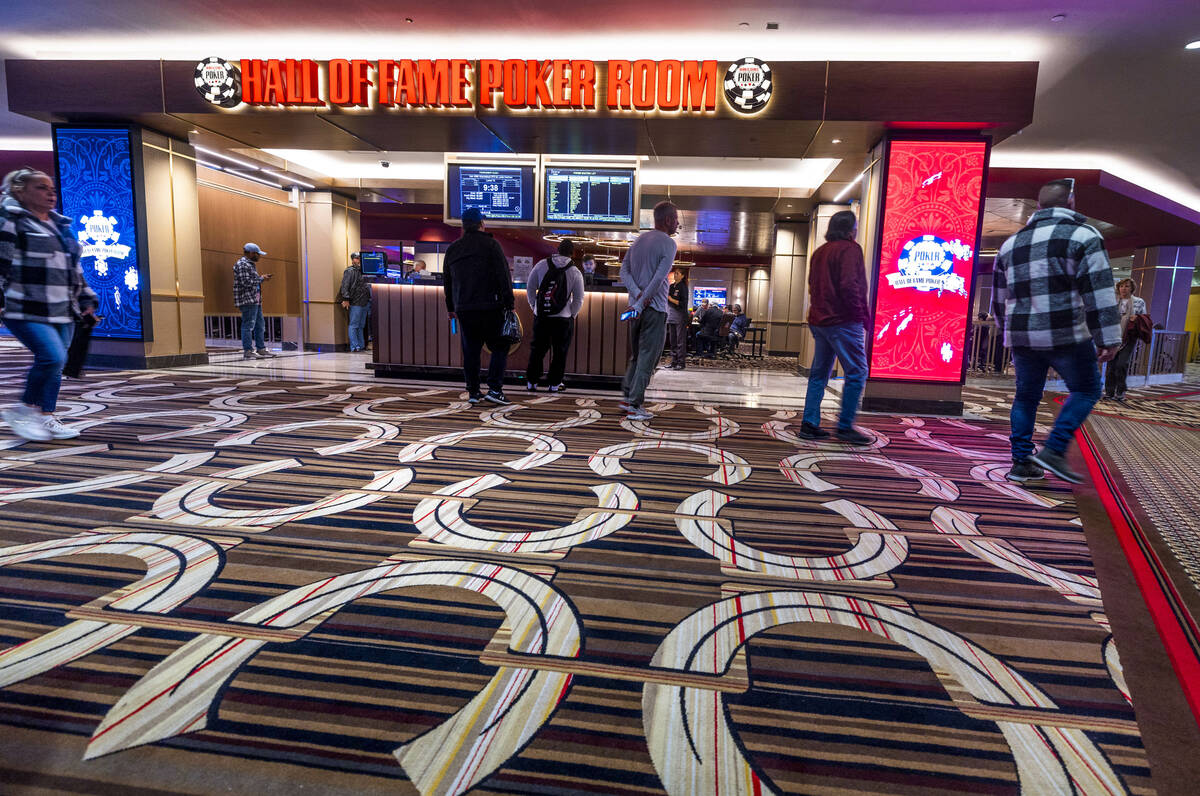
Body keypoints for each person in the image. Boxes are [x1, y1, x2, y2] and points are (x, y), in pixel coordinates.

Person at [993, 179, 1121, 483]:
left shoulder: (1010, 244)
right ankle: (1053, 449)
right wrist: (1108, 337)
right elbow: (1098, 291)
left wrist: (1006, 330)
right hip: (1065, 333)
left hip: (1023, 335)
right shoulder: (1084, 235)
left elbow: (999, 298)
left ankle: (1022, 463)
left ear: (1038, 207)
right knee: (1088, 389)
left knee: (1025, 397)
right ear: (1071, 202)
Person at [0, 168, 98, 441]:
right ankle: (23, 409)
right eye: (42, 188)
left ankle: (45, 416)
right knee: (52, 357)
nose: (50, 192)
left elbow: (72, 268)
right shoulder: (10, 219)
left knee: (57, 362)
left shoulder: (59, 224)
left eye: (52, 188)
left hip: (61, 306)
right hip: (24, 305)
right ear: (20, 191)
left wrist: (86, 297)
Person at [799, 209, 871, 445]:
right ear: (851, 228)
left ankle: (810, 423)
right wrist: (861, 315)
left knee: (819, 374)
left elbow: (813, 285)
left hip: (819, 320)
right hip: (843, 320)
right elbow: (851, 285)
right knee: (857, 371)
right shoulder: (850, 249)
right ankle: (845, 426)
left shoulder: (819, 252)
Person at [443, 207, 515, 405]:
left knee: (471, 350)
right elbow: (503, 276)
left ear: (464, 226)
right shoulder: (492, 245)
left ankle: (474, 392)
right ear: (482, 224)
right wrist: (509, 303)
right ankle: (494, 389)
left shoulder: (453, 249)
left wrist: (451, 308)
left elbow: (447, 282)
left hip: (464, 308)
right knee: (500, 345)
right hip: (491, 306)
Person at [619, 200, 679, 421]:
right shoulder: (669, 244)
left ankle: (628, 397)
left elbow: (623, 272)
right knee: (648, 358)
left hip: (636, 309)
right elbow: (659, 278)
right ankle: (635, 404)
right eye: (676, 219)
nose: (678, 223)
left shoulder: (638, 240)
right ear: (668, 220)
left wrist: (636, 297)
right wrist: (644, 299)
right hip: (654, 309)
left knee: (637, 356)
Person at [525, 239, 585, 392]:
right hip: (562, 319)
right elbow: (578, 298)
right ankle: (554, 384)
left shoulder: (541, 264)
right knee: (560, 352)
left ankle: (532, 382)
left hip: (542, 316)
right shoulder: (575, 271)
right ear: (572, 253)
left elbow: (530, 287)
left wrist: (535, 307)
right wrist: (572, 315)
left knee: (537, 350)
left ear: (557, 249)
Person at [1103, 278, 1146, 403]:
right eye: (1121, 286)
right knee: (1111, 366)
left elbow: (1145, 319)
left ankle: (1120, 390)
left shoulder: (1139, 302)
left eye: (1127, 286)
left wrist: (1136, 318)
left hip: (1129, 338)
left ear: (1131, 288)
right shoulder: (1114, 301)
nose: (1123, 289)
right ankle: (1109, 392)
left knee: (1121, 364)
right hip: (1113, 337)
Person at [233, 242, 275, 360]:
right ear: (251, 253)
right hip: (248, 300)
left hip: (254, 300)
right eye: (258, 254)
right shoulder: (242, 264)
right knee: (248, 325)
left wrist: (260, 278)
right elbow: (245, 282)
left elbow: (251, 280)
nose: (259, 256)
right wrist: (261, 279)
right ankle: (248, 350)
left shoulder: (249, 264)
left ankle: (260, 348)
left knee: (259, 325)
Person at [339, 253, 371, 352]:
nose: (359, 260)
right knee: (354, 324)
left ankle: (360, 345)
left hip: (365, 302)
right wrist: (346, 299)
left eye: (360, 258)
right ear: (353, 260)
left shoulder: (364, 271)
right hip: (355, 302)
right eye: (357, 258)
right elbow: (345, 285)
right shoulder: (349, 271)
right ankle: (354, 346)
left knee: (361, 325)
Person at [665, 266, 689, 369]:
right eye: (675, 273)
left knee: (680, 340)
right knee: (672, 340)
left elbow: (683, 303)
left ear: (682, 276)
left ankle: (681, 362)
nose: (675, 275)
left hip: (680, 315)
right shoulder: (671, 286)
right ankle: (674, 361)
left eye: (677, 274)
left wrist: (670, 298)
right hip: (671, 314)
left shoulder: (683, 287)